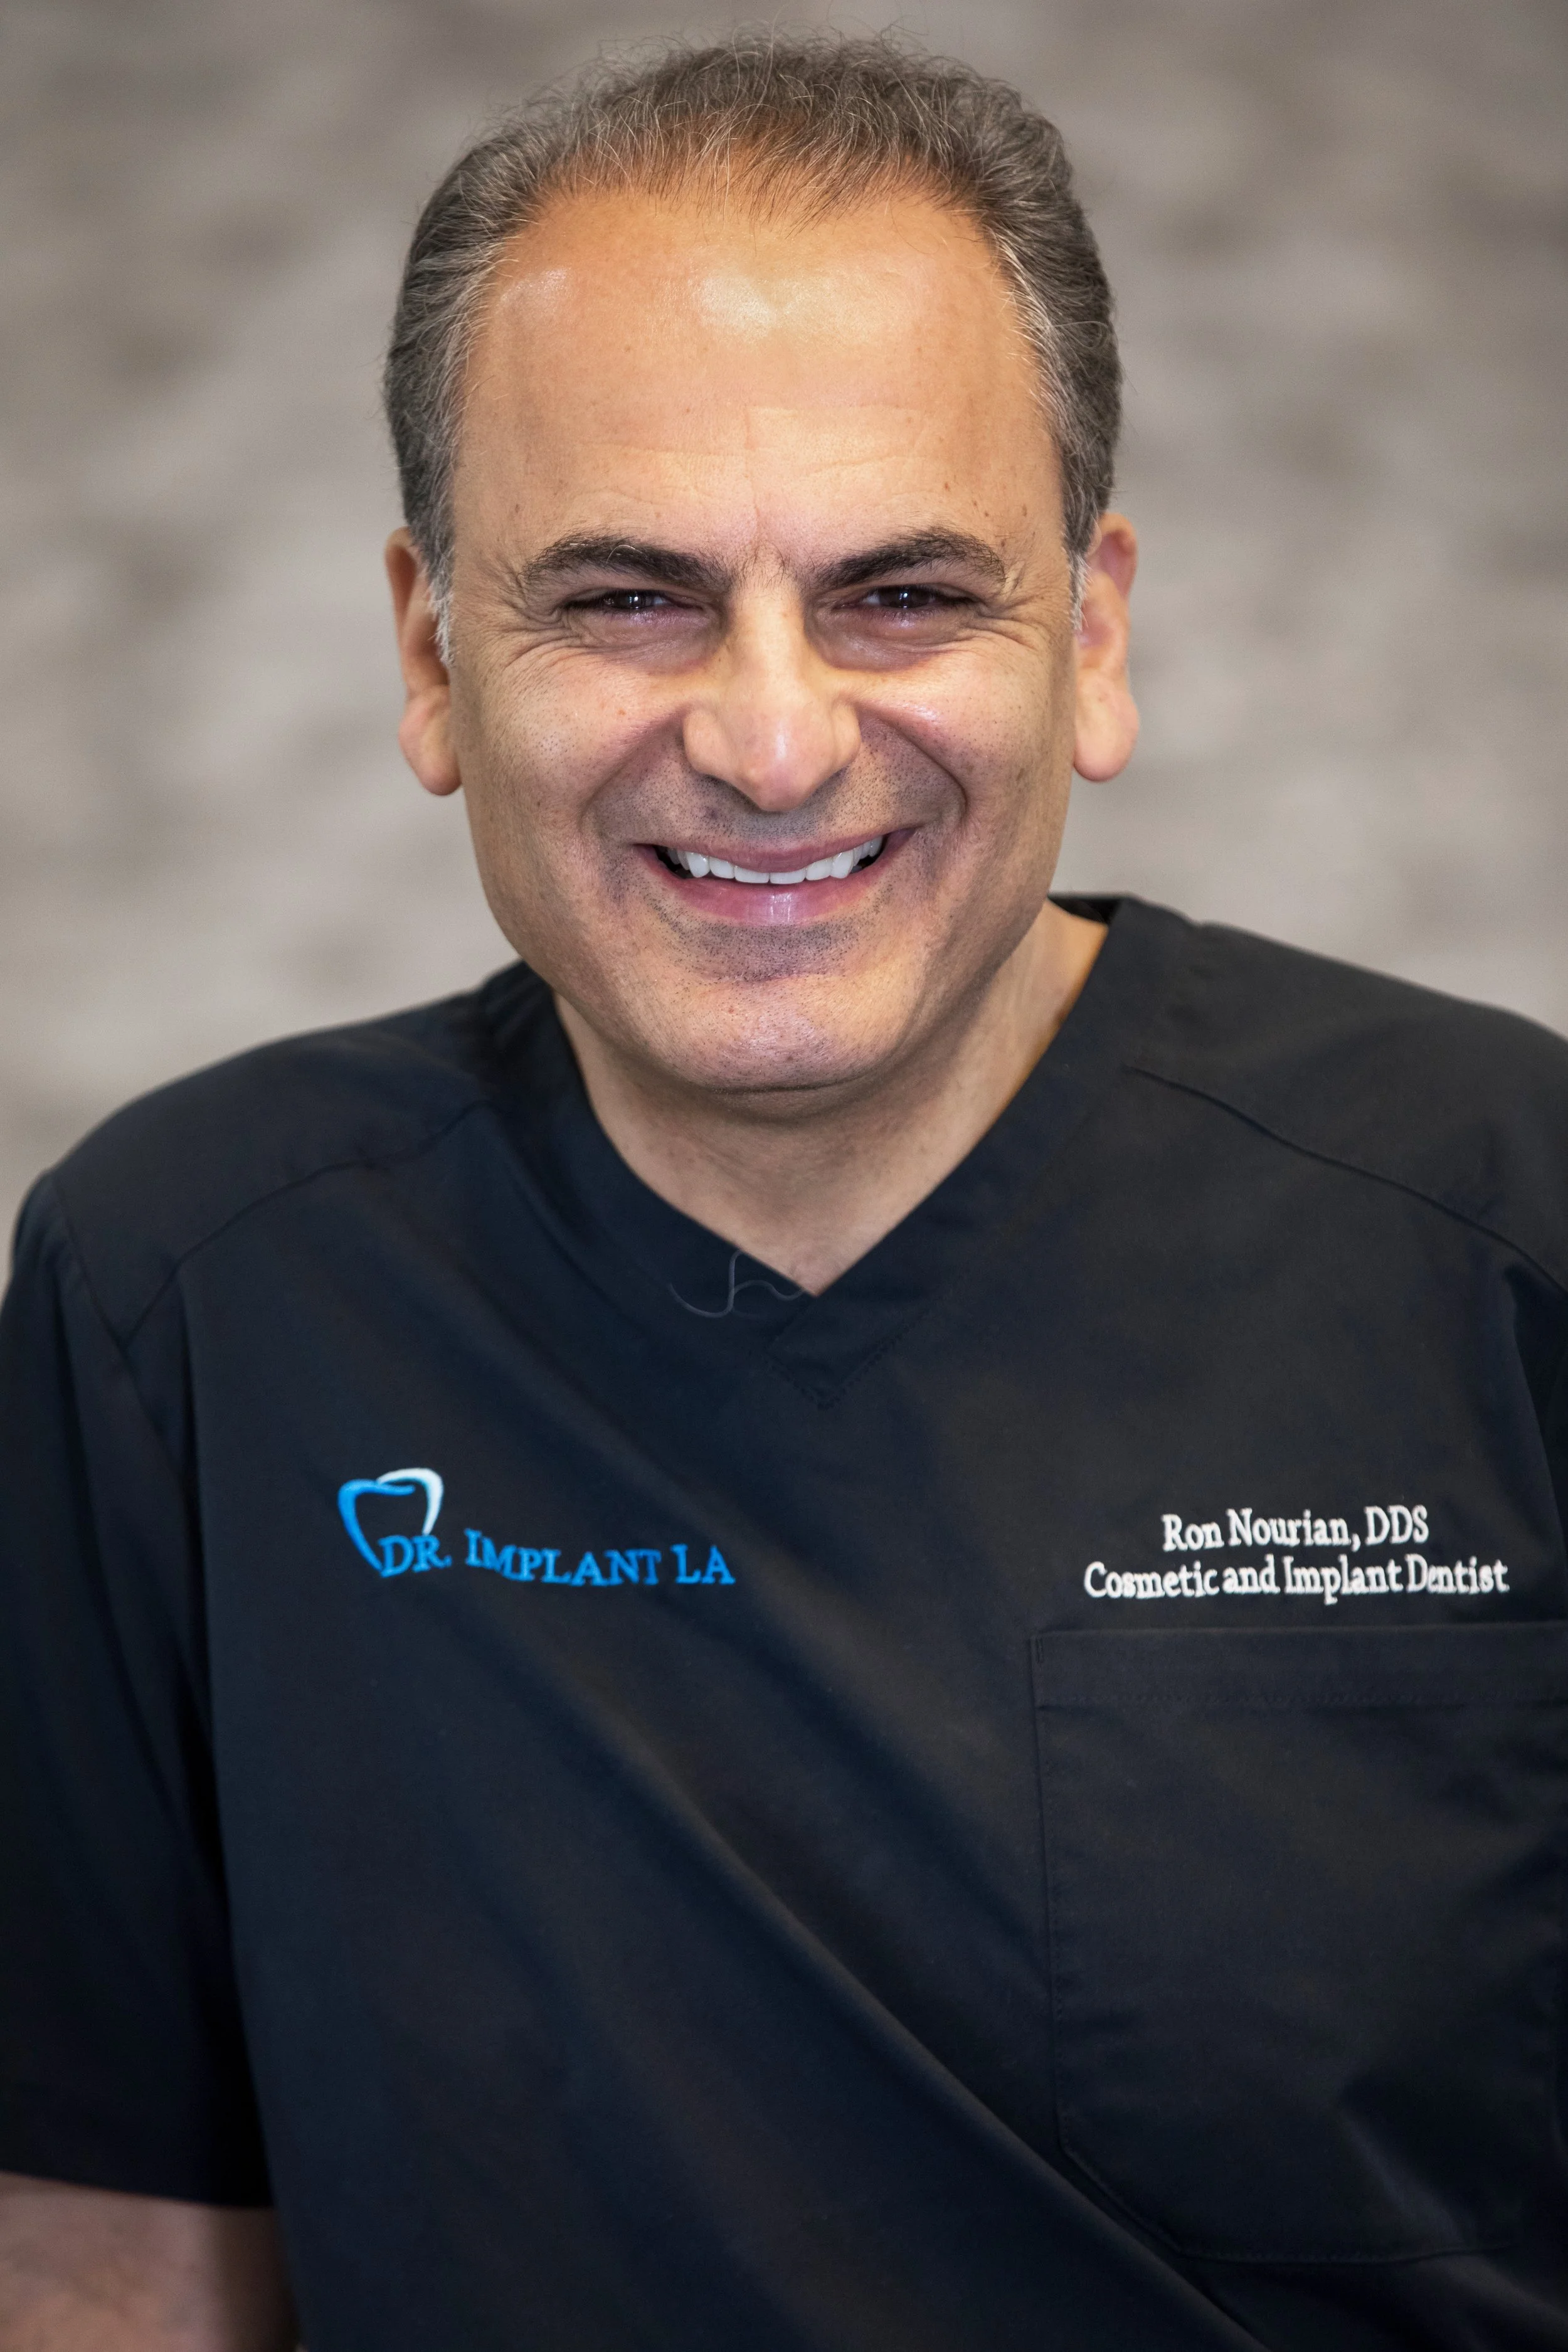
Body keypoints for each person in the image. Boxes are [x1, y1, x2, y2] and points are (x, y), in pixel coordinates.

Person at [2, 33, 1565, 2352]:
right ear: (436, 652)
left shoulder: (1502, 1230)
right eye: (624, 597)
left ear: (1095, 632)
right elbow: (110, 2274)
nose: (765, 737)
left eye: (901, 591)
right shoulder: (186, 1301)